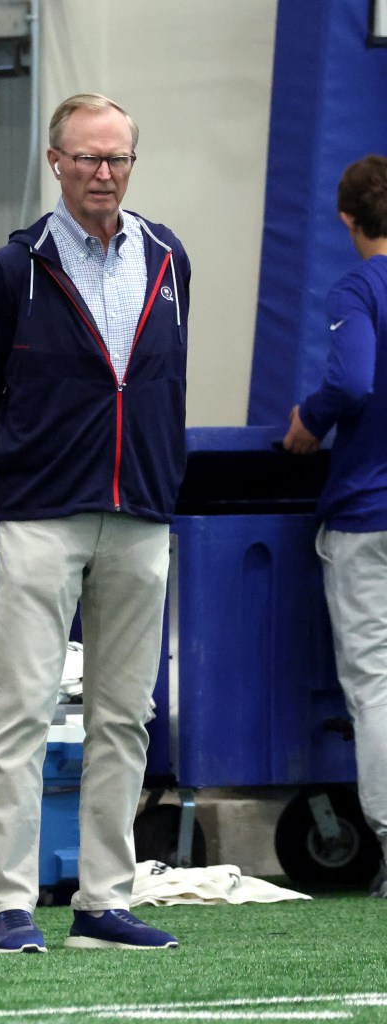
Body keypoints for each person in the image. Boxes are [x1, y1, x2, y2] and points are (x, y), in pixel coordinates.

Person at [0, 93, 190, 953]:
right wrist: (14, 490)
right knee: (20, 711)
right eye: (87, 158)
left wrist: (158, 478)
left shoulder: (168, 258)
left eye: (117, 159)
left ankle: (103, 903)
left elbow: (165, 383)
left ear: (132, 164)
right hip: (42, 519)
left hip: (141, 516)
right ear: (55, 161)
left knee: (125, 716)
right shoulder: (13, 269)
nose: (103, 173)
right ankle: (10, 904)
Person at [282, 154, 387, 896]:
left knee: (377, 687)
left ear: (347, 220)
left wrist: (309, 420)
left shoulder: (360, 286)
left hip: (369, 514)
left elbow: (351, 377)